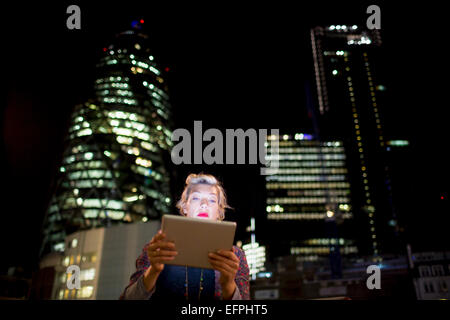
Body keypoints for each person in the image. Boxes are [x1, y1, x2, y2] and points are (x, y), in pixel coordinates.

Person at [119, 173, 250, 300]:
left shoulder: (235, 256)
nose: (204, 204)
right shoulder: (159, 250)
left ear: (219, 212)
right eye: (196, 198)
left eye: (212, 200)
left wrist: (228, 284)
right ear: (185, 207)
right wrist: (153, 270)